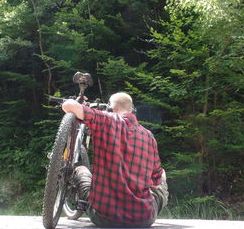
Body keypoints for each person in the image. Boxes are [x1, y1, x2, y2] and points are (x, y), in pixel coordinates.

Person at [62, 92, 168, 228]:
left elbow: (68, 106)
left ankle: (78, 205)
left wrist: (82, 104)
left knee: (81, 169)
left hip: (104, 217)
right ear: (132, 110)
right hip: (143, 218)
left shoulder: (104, 120)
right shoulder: (149, 136)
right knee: (162, 174)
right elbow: (156, 180)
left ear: (110, 108)